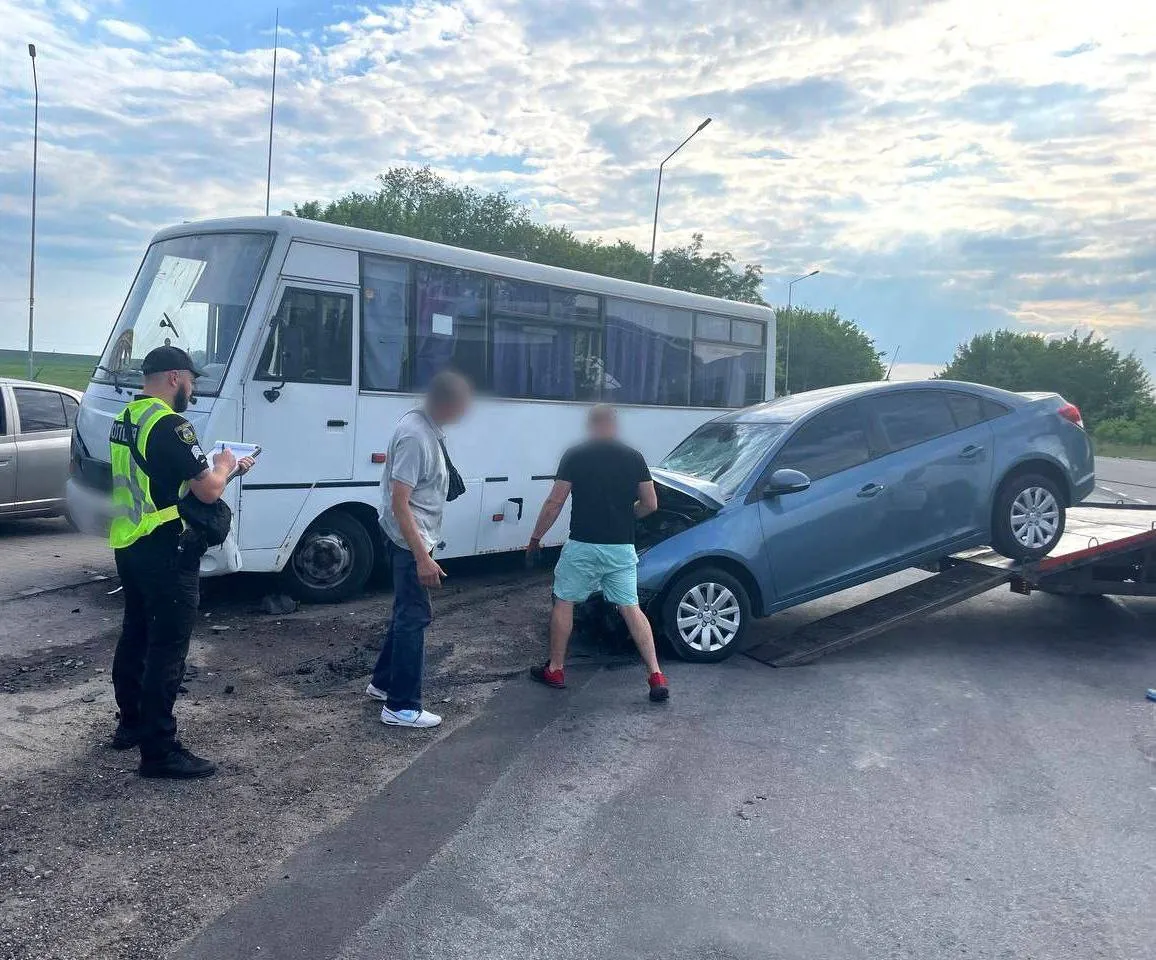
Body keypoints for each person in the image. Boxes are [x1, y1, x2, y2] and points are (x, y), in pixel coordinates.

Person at [108, 346, 255, 779]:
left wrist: (221, 471)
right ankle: (159, 751)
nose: (192, 390)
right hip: (166, 548)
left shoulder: (125, 418)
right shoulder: (172, 425)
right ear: (175, 377)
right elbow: (208, 490)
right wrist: (227, 466)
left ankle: (130, 724)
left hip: (129, 542)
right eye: (191, 381)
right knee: (167, 648)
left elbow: (158, 476)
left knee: (134, 634)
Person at [526, 404, 670, 702]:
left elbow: (555, 502)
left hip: (583, 545)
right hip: (620, 547)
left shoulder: (576, 455)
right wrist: (627, 515)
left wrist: (535, 538)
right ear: (615, 425)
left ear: (591, 426)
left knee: (564, 601)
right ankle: (655, 675)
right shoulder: (634, 457)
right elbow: (651, 504)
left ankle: (555, 669)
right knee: (631, 607)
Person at [366, 370, 472, 729]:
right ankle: (402, 706)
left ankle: (382, 684)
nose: (464, 415)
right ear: (446, 404)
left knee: (404, 613)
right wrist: (422, 557)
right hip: (408, 541)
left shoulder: (424, 425)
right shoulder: (415, 435)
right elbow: (400, 503)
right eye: (461, 407)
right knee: (414, 617)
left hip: (412, 537)